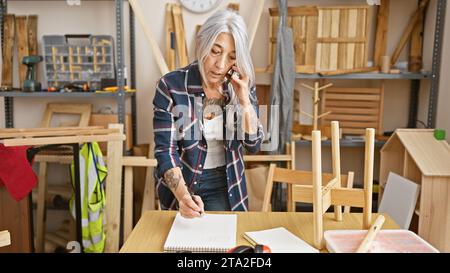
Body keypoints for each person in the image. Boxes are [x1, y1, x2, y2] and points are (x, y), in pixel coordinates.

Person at [153, 9, 264, 218]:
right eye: (215, 51)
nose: (221, 66)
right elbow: (166, 152)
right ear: (201, 43)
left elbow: (254, 145)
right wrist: (184, 198)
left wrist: (244, 100)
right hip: (181, 182)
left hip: (228, 183)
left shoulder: (241, 84)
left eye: (231, 57)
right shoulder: (170, 86)